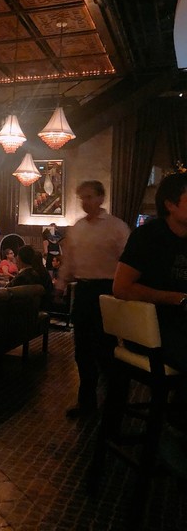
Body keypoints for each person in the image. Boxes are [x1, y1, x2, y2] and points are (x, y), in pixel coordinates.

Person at [113, 173, 187, 428]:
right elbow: (121, 288)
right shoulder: (148, 236)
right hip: (149, 330)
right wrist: (177, 299)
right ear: (170, 204)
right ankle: (173, 430)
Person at [56, 180, 130, 419]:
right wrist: (61, 283)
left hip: (108, 290)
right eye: (82, 198)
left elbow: (128, 260)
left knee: (107, 349)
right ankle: (86, 402)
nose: (85, 202)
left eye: (89, 197)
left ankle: (114, 403)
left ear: (101, 198)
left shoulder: (117, 227)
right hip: (84, 291)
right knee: (82, 350)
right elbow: (69, 260)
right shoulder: (78, 227)